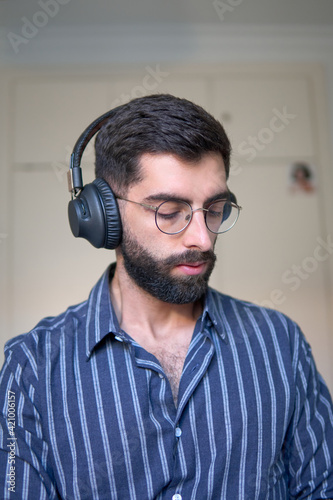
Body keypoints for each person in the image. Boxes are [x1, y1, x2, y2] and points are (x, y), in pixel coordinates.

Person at [0, 94, 332, 500]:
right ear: (104, 216)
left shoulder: (280, 343)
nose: (202, 237)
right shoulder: (32, 368)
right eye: (170, 210)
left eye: (215, 208)